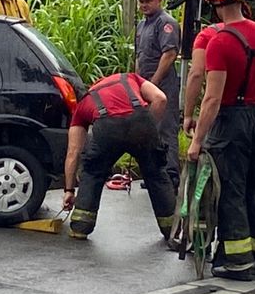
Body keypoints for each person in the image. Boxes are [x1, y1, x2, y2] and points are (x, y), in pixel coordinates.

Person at [188, 0, 255, 281]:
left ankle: (238, 262)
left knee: (231, 191)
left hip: (231, 122)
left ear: (215, 5)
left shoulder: (219, 43)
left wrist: (196, 140)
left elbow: (212, 98)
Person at [62, 72, 175, 240]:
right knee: (156, 173)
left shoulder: (84, 103)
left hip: (107, 129)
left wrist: (69, 190)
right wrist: (147, 129)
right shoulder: (129, 78)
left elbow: (73, 153)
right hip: (141, 121)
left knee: (93, 172)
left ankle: (81, 227)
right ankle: (172, 229)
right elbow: (160, 99)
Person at [134, 0, 182, 192]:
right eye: (141, 1)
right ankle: (154, 174)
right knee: (149, 129)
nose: (144, 4)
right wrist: (136, 82)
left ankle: (170, 175)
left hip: (163, 84)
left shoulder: (166, 23)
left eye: (148, 0)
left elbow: (170, 54)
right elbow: (139, 55)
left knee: (166, 128)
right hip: (145, 83)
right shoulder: (142, 25)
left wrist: (153, 82)